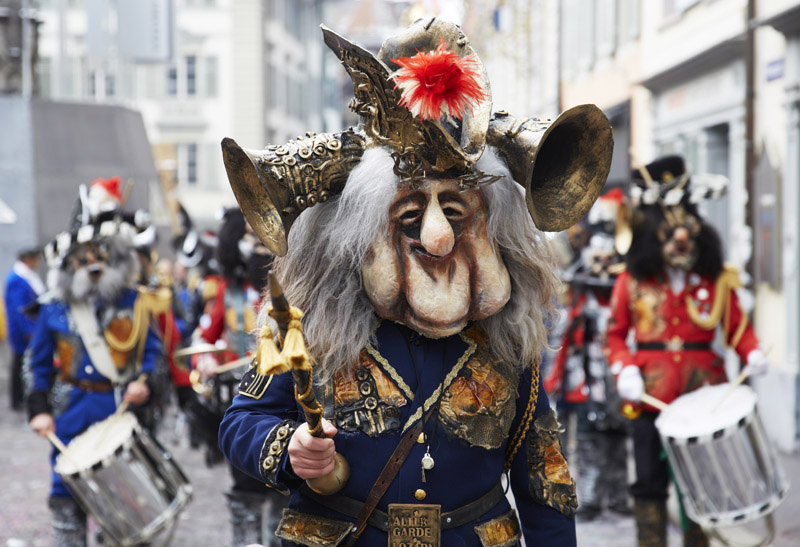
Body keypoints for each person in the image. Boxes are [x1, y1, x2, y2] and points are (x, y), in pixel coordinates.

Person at [218, 19, 614, 546]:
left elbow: (543, 476)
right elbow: (243, 420)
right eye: (409, 218)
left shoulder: (509, 324)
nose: (439, 238)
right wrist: (287, 446)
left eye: (456, 212)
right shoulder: (309, 314)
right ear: (365, 229)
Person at [605, 155, 769, 547]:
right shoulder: (631, 279)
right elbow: (615, 335)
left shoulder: (714, 280)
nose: (681, 241)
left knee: (702, 484)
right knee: (647, 486)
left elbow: (736, 329)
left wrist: (753, 352)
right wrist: (624, 369)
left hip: (703, 399)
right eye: (671, 233)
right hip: (650, 399)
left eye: (688, 233)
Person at [26, 186, 162, 547]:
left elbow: (154, 353)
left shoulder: (135, 302)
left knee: (123, 505)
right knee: (66, 498)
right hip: (69, 411)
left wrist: (146, 383)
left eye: (100, 255)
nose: (93, 265)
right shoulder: (54, 308)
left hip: (118, 410)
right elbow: (36, 364)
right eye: (83, 258)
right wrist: (38, 410)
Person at [191, 208, 282, 546]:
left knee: (284, 485)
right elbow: (204, 337)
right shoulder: (225, 291)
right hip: (240, 404)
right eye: (249, 235)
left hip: (288, 403)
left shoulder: (296, 288)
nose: (256, 244)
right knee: (245, 485)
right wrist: (204, 359)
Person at [544, 189, 630, 520]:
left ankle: (618, 495)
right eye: (599, 260)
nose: (604, 268)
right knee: (588, 438)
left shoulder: (621, 297)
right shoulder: (578, 297)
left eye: (610, 261)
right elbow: (562, 337)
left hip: (617, 376)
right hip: (583, 378)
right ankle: (591, 496)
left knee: (618, 438)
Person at [4, 246, 46, 410]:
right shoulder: (16, 279)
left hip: (28, 328)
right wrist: (29, 331)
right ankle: (17, 399)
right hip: (23, 331)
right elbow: (19, 309)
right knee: (20, 363)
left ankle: (21, 397)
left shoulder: (25, 277)